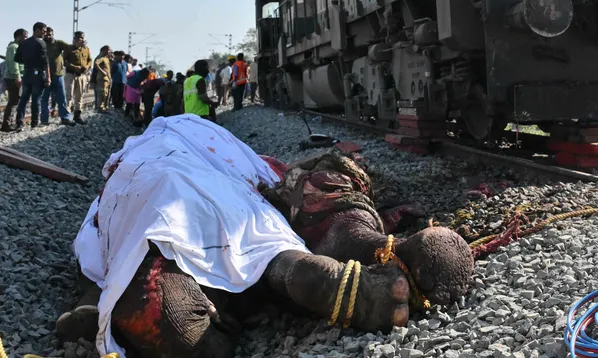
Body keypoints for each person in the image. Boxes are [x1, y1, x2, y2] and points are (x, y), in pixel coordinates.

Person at [58, 116, 472, 358]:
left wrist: (93, 297)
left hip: (152, 195)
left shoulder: (134, 156)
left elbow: (95, 243)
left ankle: (192, 302)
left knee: (150, 252)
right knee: (265, 234)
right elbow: (277, 178)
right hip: (231, 194)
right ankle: (349, 256)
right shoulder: (215, 143)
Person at [14, 22, 51, 129]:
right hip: (37, 75)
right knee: (36, 100)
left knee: (24, 99)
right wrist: (48, 77)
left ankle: (19, 123)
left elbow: (16, 58)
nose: (44, 33)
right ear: (37, 30)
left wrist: (27, 61)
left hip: (27, 73)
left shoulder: (24, 43)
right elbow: (45, 61)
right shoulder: (41, 43)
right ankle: (34, 123)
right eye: (43, 31)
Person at [0, 28, 26, 131]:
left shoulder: (17, 47)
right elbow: (14, 63)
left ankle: (9, 123)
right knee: (13, 102)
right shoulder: (13, 47)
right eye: (24, 36)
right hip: (13, 78)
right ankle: (7, 124)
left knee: (15, 101)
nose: (26, 39)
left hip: (15, 77)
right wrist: (18, 77)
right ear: (18, 36)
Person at [42, 27, 75, 127]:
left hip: (58, 75)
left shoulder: (59, 43)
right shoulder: (41, 44)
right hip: (45, 76)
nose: (48, 36)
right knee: (45, 99)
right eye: (46, 34)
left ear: (53, 34)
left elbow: (70, 48)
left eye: (50, 34)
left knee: (62, 98)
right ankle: (44, 120)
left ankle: (65, 118)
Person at [64, 31, 92, 125]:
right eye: (79, 38)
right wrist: (74, 67)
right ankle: (67, 117)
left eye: (82, 38)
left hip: (82, 76)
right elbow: (64, 61)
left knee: (79, 96)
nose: (81, 39)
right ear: (75, 38)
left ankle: (77, 116)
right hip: (71, 75)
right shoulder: (69, 48)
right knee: (69, 96)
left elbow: (90, 60)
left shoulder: (86, 49)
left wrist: (87, 67)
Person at [92, 45, 113, 113]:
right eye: (108, 50)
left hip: (107, 79)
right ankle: (100, 107)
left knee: (106, 94)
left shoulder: (106, 58)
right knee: (102, 93)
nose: (109, 51)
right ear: (104, 50)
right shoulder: (101, 58)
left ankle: (104, 107)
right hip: (102, 79)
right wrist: (102, 71)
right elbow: (96, 64)